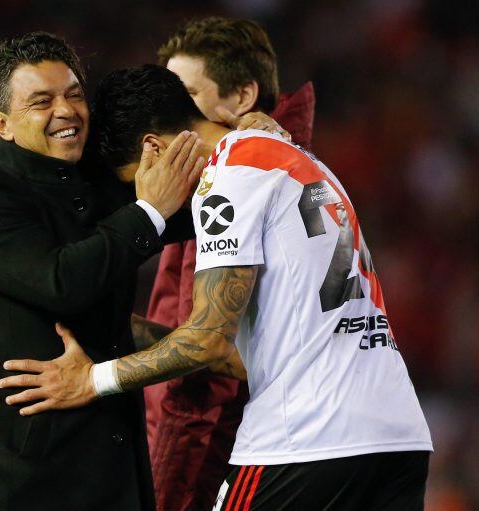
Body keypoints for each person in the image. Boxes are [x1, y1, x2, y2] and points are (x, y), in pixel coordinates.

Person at [0, 64, 433, 509]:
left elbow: (206, 341)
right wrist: (109, 327)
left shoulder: (227, 176)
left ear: (153, 149)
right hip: (398, 437)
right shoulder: (298, 160)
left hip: (305, 440)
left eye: (137, 181)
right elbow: (246, 353)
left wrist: (93, 380)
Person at [0, 32, 204, 511]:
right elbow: (61, 282)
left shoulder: (103, 183)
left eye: (74, 94)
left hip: (111, 468)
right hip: (20, 480)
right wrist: (149, 212)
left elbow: (209, 206)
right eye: (42, 101)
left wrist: (245, 136)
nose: (65, 111)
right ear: (1, 124)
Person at [144, 17, 315, 509]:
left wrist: (166, 494)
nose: (166, 117)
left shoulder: (235, 183)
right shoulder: (290, 169)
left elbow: (205, 373)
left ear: (242, 96)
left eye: (182, 96)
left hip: (215, 461)